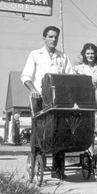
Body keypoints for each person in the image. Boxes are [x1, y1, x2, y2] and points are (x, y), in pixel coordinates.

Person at [20, 26, 74, 179]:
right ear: (44, 38)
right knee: (39, 133)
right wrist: (32, 89)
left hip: (58, 101)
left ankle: (58, 171)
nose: (53, 39)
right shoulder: (35, 54)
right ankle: (37, 165)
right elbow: (25, 76)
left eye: (56, 37)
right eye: (50, 37)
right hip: (40, 99)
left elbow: (70, 77)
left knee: (60, 132)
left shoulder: (63, 57)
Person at [74, 43, 97, 156]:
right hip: (83, 99)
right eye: (88, 53)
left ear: (96, 54)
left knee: (94, 128)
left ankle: (91, 153)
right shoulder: (78, 69)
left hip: (96, 99)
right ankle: (86, 153)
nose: (90, 55)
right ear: (84, 54)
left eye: (92, 53)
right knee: (84, 126)